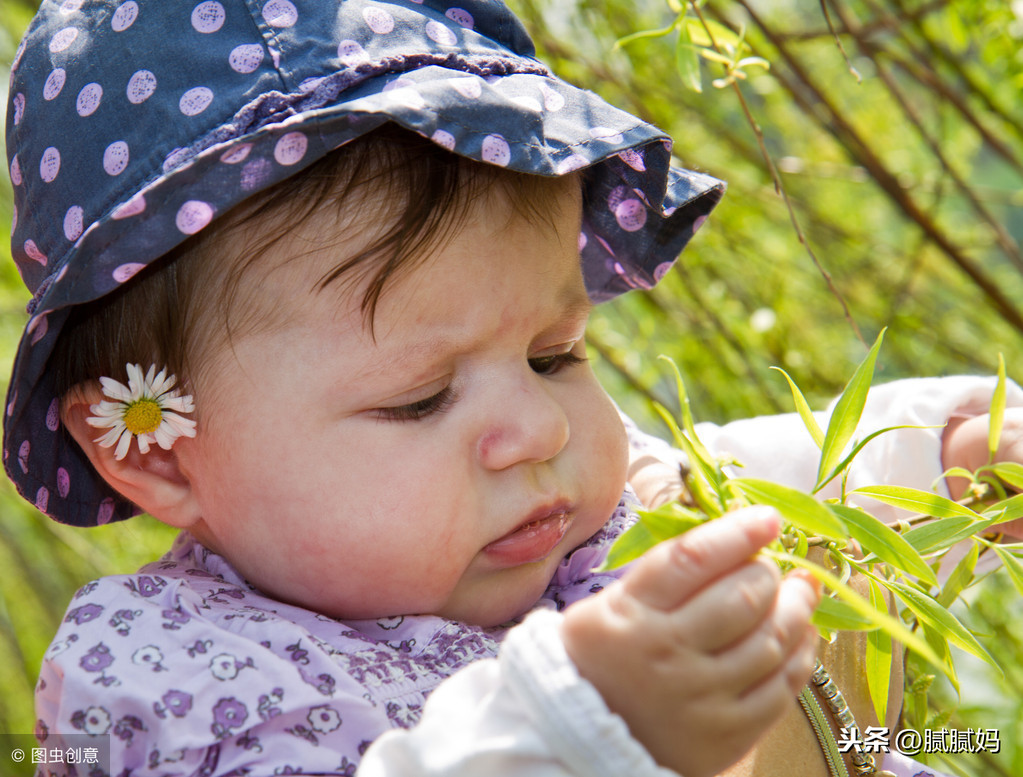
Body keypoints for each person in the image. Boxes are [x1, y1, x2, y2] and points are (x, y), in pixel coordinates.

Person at [5, 2, 1019, 776]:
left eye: (554, 354)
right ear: (157, 444)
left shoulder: (578, 530)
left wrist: (951, 451)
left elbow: (756, 486)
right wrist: (576, 731)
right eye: (418, 399)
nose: (536, 428)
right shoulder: (155, 677)